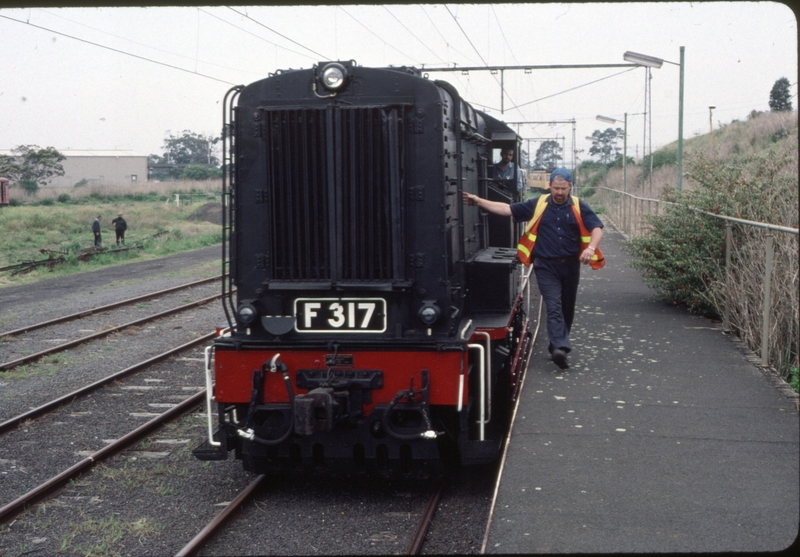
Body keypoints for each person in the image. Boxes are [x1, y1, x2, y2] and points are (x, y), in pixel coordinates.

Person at [462, 168, 604, 370]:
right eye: (556, 188)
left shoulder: (580, 206)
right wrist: (478, 201)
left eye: (563, 188)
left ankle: (558, 342)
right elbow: (507, 209)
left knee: (567, 308)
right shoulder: (538, 204)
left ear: (570, 187)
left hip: (571, 265)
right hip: (545, 265)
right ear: (549, 186)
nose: (560, 192)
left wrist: (590, 248)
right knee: (553, 304)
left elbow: (596, 229)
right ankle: (559, 348)